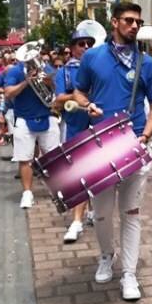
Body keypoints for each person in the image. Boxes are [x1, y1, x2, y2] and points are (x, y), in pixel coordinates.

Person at [72, 2, 152, 301]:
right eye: (128, 20)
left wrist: (146, 135)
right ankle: (106, 255)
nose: (134, 26)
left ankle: (129, 274)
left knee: (131, 213)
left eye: (138, 21)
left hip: (134, 142)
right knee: (101, 213)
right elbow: (79, 91)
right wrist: (87, 105)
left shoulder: (148, 63)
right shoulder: (92, 57)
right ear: (114, 22)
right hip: (99, 142)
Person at [3, 49, 62, 210]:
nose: (32, 59)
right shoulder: (15, 71)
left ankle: (56, 189)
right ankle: (27, 193)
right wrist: (26, 82)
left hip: (47, 115)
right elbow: (8, 93)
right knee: (25, 158)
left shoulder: (46, 68)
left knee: (53, 157)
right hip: (23, 118)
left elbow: (57, 89)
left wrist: (50, 83)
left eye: (34, 56)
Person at [52, 28, 96, 242]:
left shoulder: (98, 68)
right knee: (79, 176)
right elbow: (57, 99)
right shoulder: (64, 72)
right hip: (75, 129)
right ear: (72, 48)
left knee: (96, 175)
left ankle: (90, 211)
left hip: (98, 127)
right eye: (81, 44)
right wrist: (77, 96)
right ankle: (77, 221)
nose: (86, 47)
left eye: (90, 43)